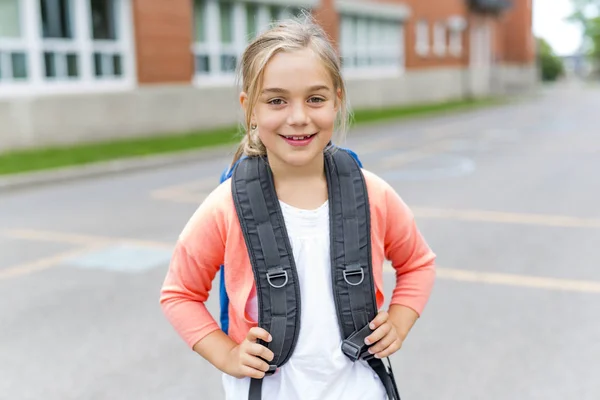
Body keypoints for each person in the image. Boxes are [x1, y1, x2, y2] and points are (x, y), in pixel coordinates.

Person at [160, 15, 436, 400]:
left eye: (315, 99)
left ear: (337, 100)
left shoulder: (372, 194)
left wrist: (401, 321)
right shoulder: (227, 206)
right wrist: (225, 353)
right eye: (276, 100)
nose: (298, 117)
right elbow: (179, 293)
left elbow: (418, 263)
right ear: (250, 109)